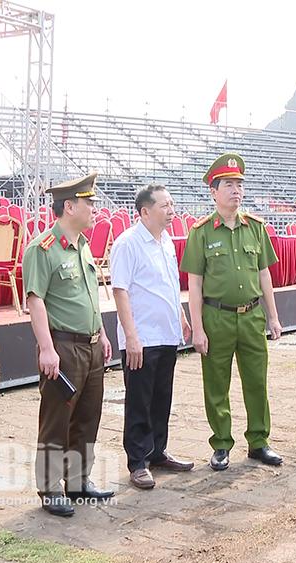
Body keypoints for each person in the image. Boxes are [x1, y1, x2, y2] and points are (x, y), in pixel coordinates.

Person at [179, 152, 284, 471]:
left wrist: (273, 316)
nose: (236, 190)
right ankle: (221, 443)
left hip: (251, 316)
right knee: (216, 382)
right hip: (216, 317)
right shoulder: (201, 232)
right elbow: (194, 285)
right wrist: (197, 328)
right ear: (213, 191)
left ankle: (258, 441)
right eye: (228, 184)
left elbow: (265, 274)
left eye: (239, 184)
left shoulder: (255, 227)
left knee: (257, 381)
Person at [22, 173, 114, 518]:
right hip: (62, 346)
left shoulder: (83, 246)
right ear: (69, 206)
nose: (94, 209)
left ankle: (77, 480)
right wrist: (46, 348)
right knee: (56, 420)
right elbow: (36, 300)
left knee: (88, 417)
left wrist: (102, 333)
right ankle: (49, 487)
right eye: (88, 203)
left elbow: (90, 297)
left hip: (90, 345)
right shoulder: (42, 248)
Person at [111, 184, 194, 490]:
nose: (171, 210)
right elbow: (120, 290)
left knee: (162, 398)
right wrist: (131, 337)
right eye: (164, 206)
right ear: (145, 211)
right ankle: (137, 461)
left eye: (172, 204)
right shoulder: (127, 243)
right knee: (139, 401)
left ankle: (157, 451)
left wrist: (182, 316)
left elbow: (171, 284)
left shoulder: (167, 241)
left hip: (167, 333)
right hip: (142, 337)